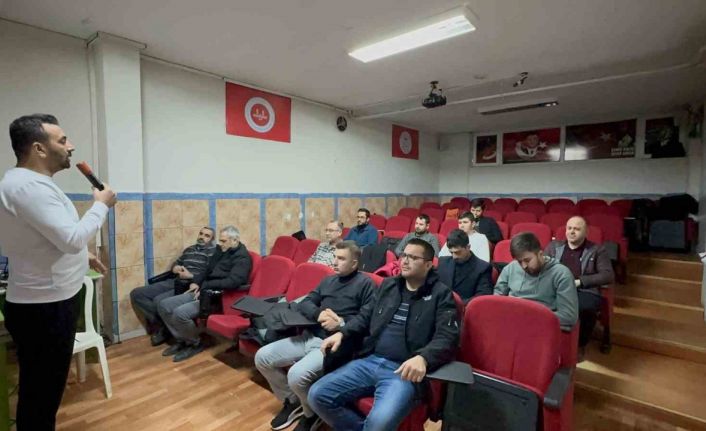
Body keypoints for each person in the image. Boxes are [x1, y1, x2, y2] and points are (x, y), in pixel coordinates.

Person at [0, 114, 116, 430]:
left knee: (41, 392)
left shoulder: (28, 184)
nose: (71, 146)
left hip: (45, 305)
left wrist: (82, 256)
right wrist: (101, 204)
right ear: (39, 148)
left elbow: (47, 240)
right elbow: (70, 238)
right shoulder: (28, 187)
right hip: (45, 310)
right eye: (63, 140)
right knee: (41, 398)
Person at [308, 239, 459, 431]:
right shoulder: (389, 286)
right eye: (404, 255)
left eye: (413, 257)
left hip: (403, 372)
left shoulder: (441, 294)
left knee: (378, 424)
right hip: (370, 360)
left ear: (428, 264)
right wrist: (342, 333)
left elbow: (447, 336)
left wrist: (423, 357)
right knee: (317, 395)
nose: (405, 261)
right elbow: (365, 316)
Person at [255, 241, 375, 431]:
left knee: (296, 375)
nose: (335, 262)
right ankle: (293, 401)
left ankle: (310, 414)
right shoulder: (329, 280)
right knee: (262, 357)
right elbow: (307, 302)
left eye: (341, 258)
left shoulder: (366, 284)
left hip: (334, 344)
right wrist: (318, 314)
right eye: (335, 257)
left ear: (354, 263)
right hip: (310, 335)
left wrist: (341, 323)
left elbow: (366, 319)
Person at [158, 225, 252, 362]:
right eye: (220, 240)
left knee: (180, 313)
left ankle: (195, 343)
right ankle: (182, 339)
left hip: (218, 297)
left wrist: (206, 286)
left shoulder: (242, 258)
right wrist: (196, 282)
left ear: (235, 240)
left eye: (223, 241)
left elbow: (233, 282)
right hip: (204, 290)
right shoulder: (221, 250)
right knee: (164, 305)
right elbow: (207, 270)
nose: (220, 243)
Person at [130, 227, 216, 346]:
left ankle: (166, 330)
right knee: (137, 293)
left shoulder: (213, 253)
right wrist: (175, 267)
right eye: (201, 234)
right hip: (175, 280)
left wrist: (191, 276)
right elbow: (177, 263)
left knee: (158, 301)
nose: (202, 237)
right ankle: (163, 325)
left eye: (207, 236)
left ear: (212, 239)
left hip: (191, 285)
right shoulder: (189, 249)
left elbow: (209, 274)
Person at [545, 216, 614, 357]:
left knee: (584, 308)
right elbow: (543, 266)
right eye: (569, 228)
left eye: (576, 229)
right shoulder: (553, 247)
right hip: (556, 288)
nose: (571, 232)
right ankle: (548, 341)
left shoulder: (597, 250)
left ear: (586, 232)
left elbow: (607, 275)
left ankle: (578, 344)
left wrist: (580, 281)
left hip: (583, 289)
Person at [495, 232, 578, 331]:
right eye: (519, 261)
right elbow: (497, 300)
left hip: (540, 327)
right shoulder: (510, 268)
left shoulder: (561, 274)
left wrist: (528, 317)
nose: (523, 266)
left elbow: (568, 316)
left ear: (540, 254)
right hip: (510, 323)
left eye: (527, 260)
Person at [437, 229, 493, 303]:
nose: (454, 257)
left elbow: (482, 297)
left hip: (464, 307)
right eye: (451, 252)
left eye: (457, 252)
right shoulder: (443, 262)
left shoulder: (483, 268)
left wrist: (456, 304)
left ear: (468, 247)